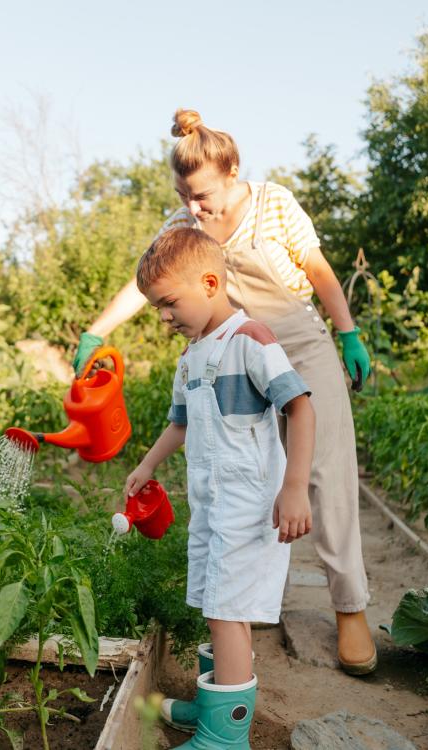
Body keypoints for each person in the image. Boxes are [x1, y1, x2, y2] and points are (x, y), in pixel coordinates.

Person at [74, 109, 377, 676]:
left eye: (202, 195)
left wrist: (349, 332)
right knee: (251, 474)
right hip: (235, 355)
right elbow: (146, 285)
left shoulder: (274, 202)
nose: (194, 208)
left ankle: (350, 608)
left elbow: (318, 271)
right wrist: (98, 330)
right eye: (184, 196)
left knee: (325, 476)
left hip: (299, 346)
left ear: (233, 171)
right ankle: (251, 598)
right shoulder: (182, 226)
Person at [126, 227, 314, 749]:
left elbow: (299, 406)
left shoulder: (250, 339)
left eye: (168, 302)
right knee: (215, 599)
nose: (164, 316)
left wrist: (294, 486)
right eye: (156, 307)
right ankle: (215, 703)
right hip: (211, 503)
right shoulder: (190, 356)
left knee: (226, 609)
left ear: (210, 282)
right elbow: (180, 423)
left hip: (251, 503)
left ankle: (226, 737)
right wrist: (146, 464)